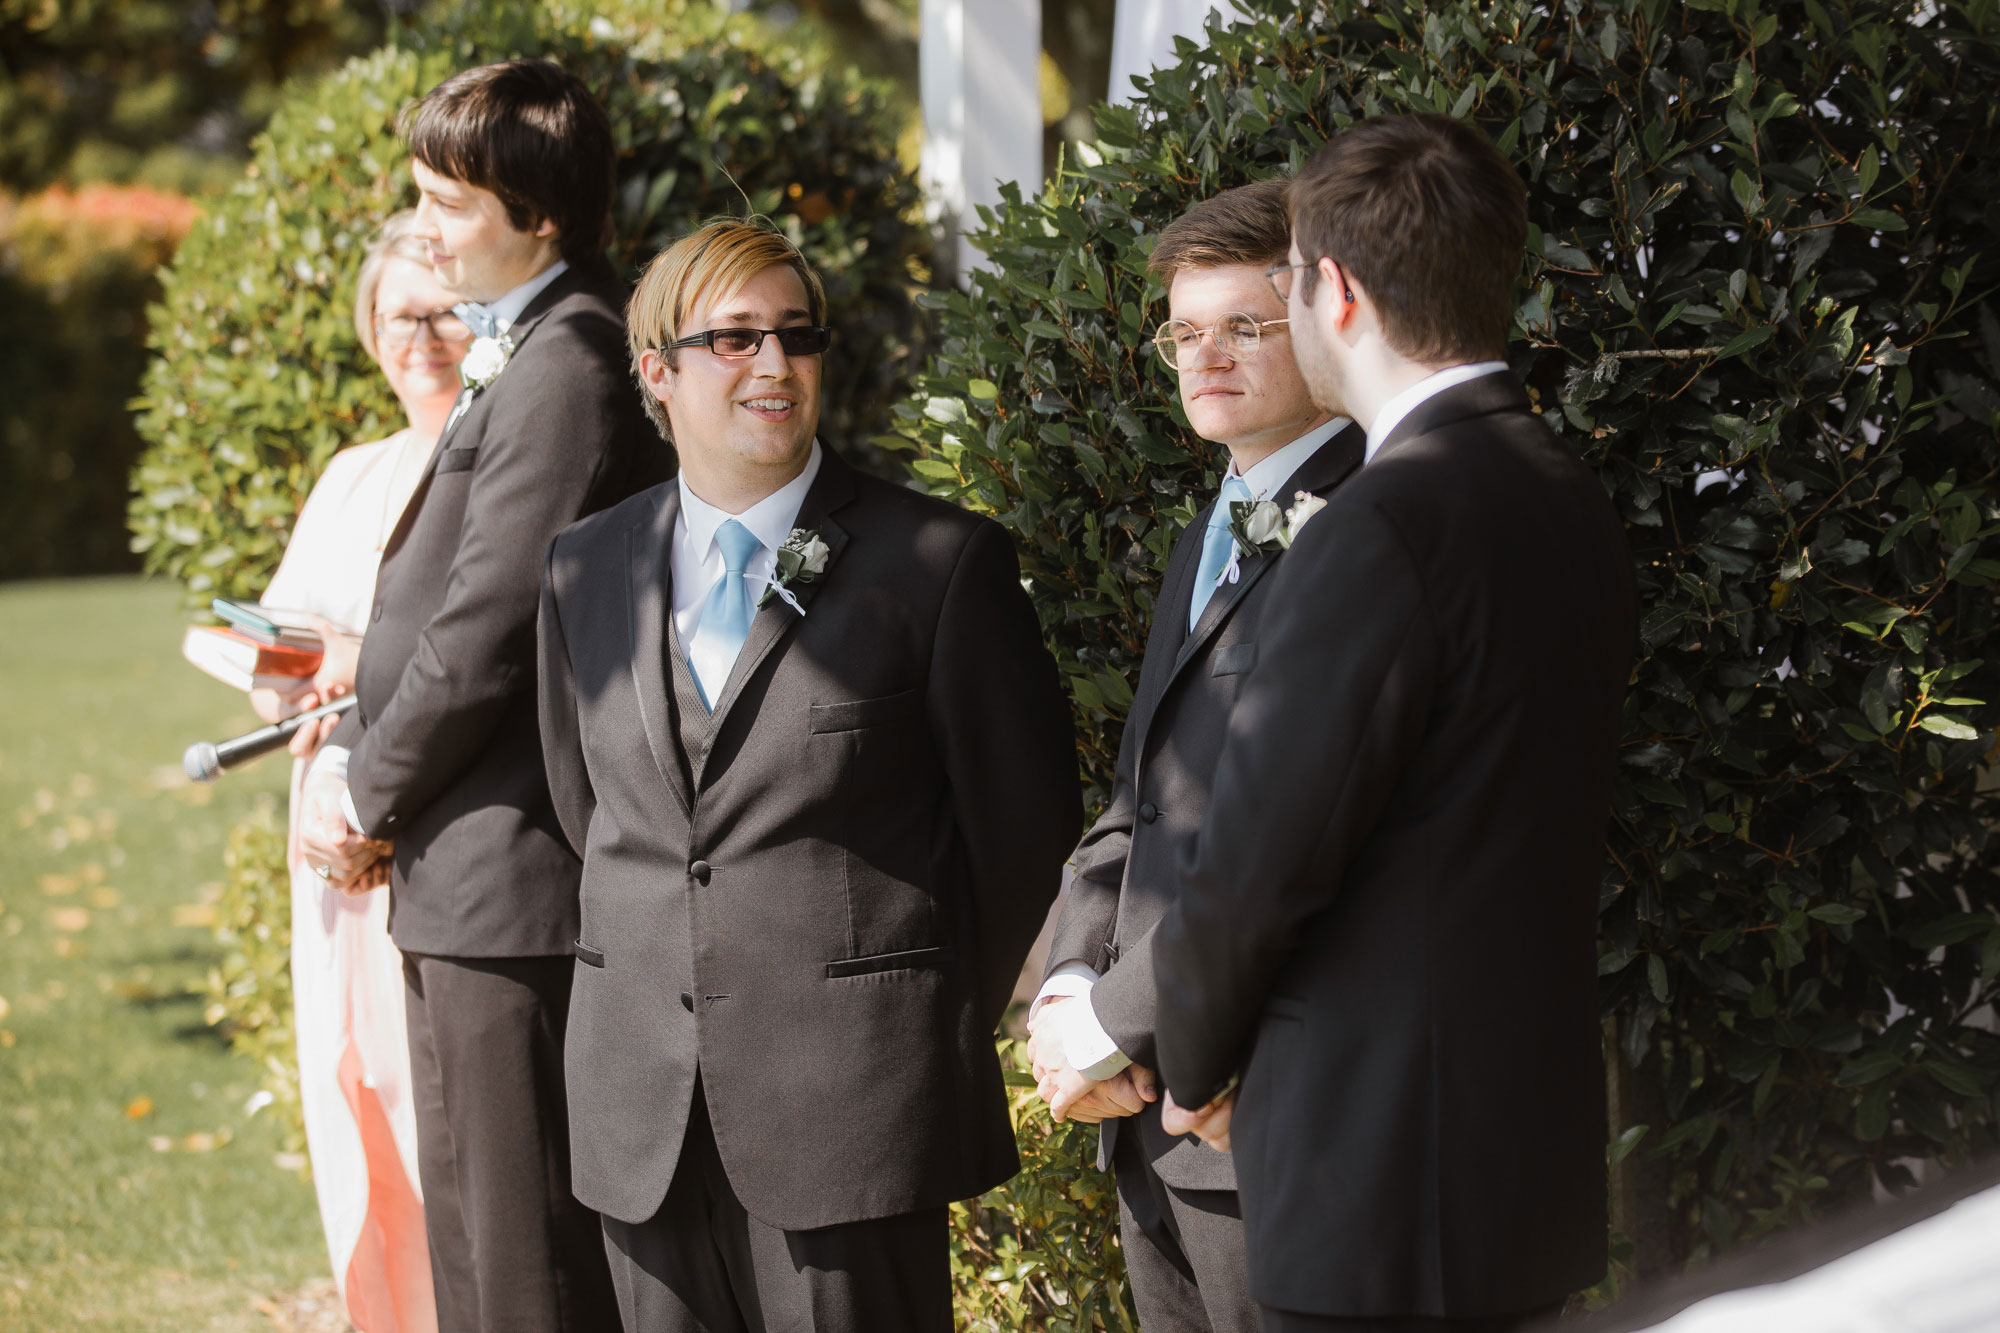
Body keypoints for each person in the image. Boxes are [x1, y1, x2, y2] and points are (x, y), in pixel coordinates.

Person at [536, 217, 1081, 1333]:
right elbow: (585, 806)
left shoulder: (937, 563)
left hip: (851, 1109)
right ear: (657, 369)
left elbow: (1020, 835)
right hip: (638, 1097)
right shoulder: (582, 565)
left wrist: (894, 1019)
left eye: (796, 336)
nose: (774, 366)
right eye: (734, 339)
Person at [1149, 113, 1637, 1332]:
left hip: (1376, 1175)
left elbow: (1259, 862)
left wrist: (1193, 1065)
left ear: (1336, 292)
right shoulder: (1561, 491)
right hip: (1514, 1153)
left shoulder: (1380, 525)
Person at [296, 60, 668, 1333]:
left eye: (449, 203)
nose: (430, 229)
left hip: (511, 870)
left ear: (539, 214)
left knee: (526, 1260)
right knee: (470, 1231)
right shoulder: (529, 347)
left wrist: (367, 784)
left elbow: (487, 628)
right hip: (459, 869)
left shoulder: (568, 360)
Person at [1024, 177, 1365, 1333]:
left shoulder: (1368, 528)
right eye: (1183, 332)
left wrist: (1115, 1025)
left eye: (1240, 328)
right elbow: (1137, 803)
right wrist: (1068, 986)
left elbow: (1297, 838)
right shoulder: (1203, 534)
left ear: (1320, 319)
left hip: (1259, 1101)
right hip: (1147, 1116)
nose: (1202, 357)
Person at [249, 209, 458, 1333]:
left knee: (423, 1100)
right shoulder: (348, 473)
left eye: (440, 309)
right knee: (349, 1094)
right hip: (319, 838)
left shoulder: (488, 457)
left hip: (417, 832)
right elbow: (285, 641)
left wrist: (352, 664)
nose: (417, 334)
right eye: (395, 313)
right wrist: (283, 675)